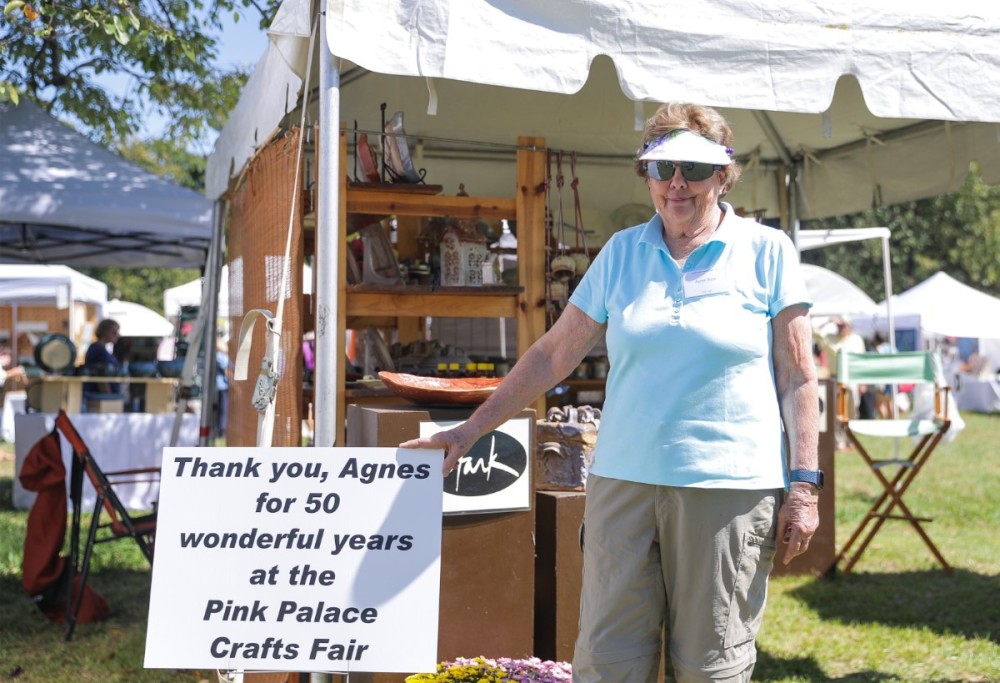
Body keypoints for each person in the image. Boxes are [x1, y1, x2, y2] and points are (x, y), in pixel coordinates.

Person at [402, 102, 820, 683]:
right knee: (607, 664)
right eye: (662, 168)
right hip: (622, 482)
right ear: (647, 177)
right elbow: (554, 352)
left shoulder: (767, 251)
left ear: (723, 176)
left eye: (694, 169)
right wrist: (471, 429)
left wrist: (805, 485)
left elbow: (798, 374)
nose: (677, 183)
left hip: (727, 489)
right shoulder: (622, 252)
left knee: (709, 668)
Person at [83, 319, 123, 396]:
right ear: (104, 331)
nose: (117, 335)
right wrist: (109, 397)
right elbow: (101, 377)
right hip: (99, 396)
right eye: (114, 332)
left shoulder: (102, 349)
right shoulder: (97, 350)